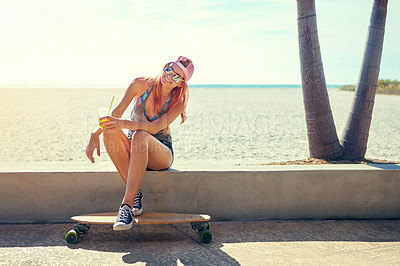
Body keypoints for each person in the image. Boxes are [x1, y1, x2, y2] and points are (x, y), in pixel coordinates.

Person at [86, 56, 194, 230]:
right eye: (169, 69)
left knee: (141, 135)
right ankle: (135, 193)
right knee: (110, 130)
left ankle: (126, 207)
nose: (169, 76)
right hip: (136, 150)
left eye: (176, 76)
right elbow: (116, 113)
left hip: (160, 153)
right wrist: (95, 133)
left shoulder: (178, 102)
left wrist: (123, 124)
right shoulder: (140, 84)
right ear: (165, 66)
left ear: (180, 84)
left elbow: (154, 128)